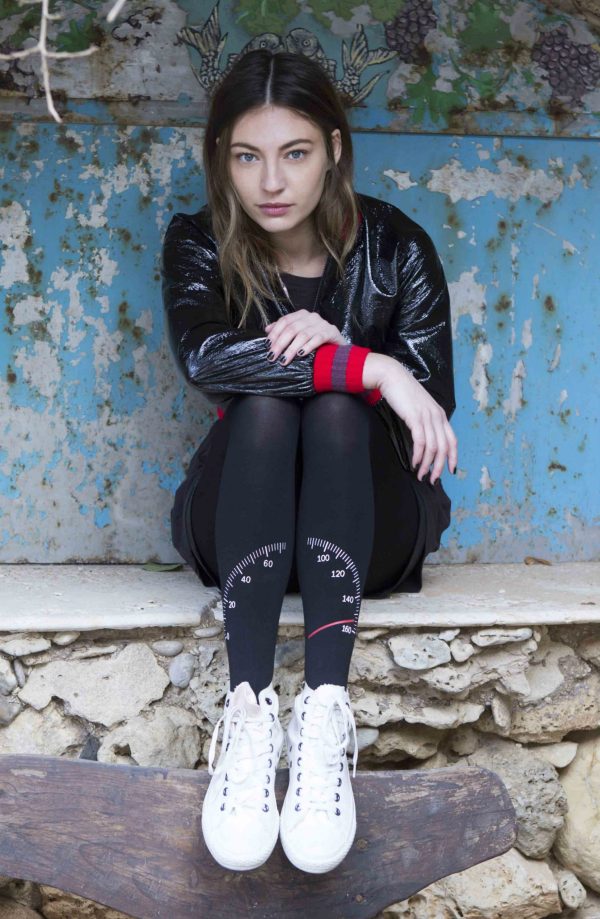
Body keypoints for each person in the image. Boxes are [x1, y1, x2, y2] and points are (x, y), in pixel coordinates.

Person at [161, 48, 458, 875]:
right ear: (221, 158)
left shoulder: (397, 247)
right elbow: (209, 358)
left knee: (334, 413)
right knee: (265, 409)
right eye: (246, 156)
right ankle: (249, 716)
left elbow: (428, 411)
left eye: (294, 153)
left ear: (332, 148)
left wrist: (360, 373)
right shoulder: (197, 243)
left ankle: (325, 711)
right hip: (239, 524)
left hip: (369, 532)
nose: (271, 182)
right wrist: (367, 365)